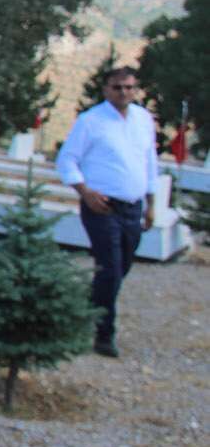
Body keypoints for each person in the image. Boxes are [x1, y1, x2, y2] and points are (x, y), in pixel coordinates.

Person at [56, 66, 157, 358]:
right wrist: (85, 192)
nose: (123, 92)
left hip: (133, 206)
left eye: (129, 87)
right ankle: (103, 334)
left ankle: (87, 309)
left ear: (135, 89)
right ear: (106, 90)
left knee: (122, 266)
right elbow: (67, 159)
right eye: (117, 87)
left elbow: (149, 161)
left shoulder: (143, 119)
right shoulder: (91, 121)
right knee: (110, 268)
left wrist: (151, 204)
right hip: (102, 206)